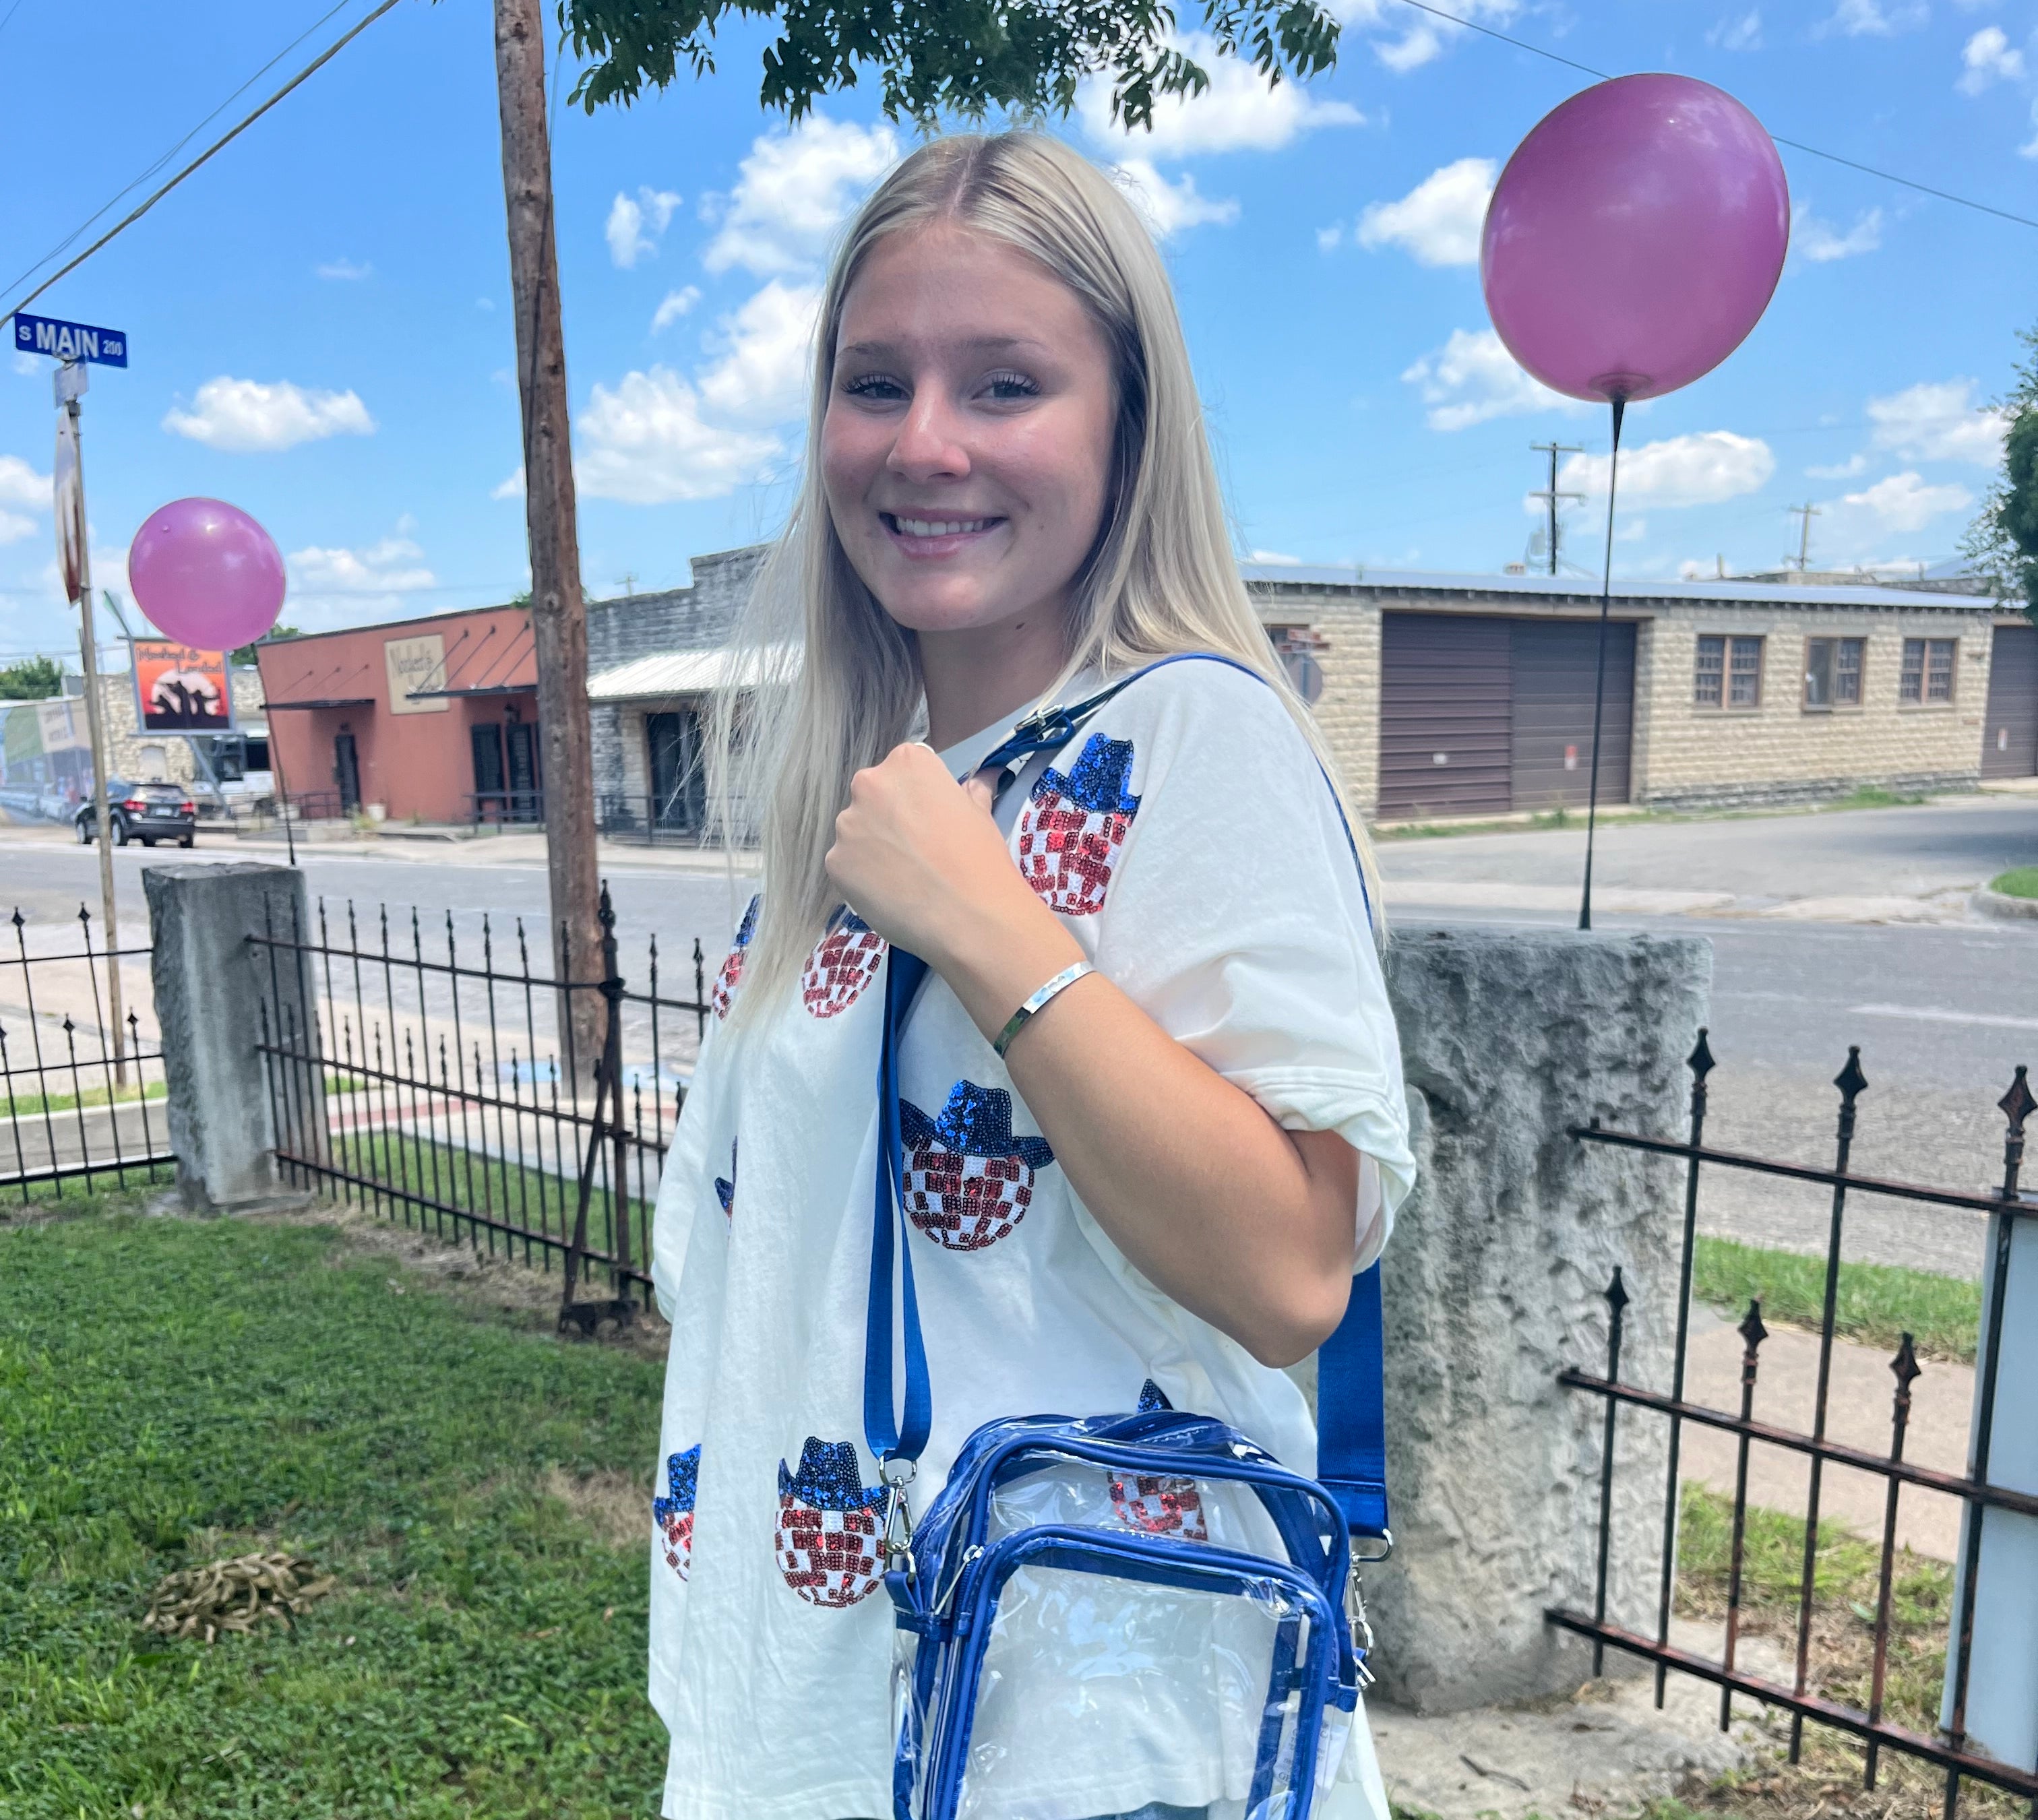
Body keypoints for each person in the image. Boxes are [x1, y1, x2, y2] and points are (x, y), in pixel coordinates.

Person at [646, 129, 1415, 1820]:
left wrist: (997, 930)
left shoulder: (1192, 733)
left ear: (1124, 427)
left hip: (1077, 1717)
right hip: (831, 1689)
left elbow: (1295, 1268)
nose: (924, 444)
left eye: (1006, 384)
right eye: (875, 383)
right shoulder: (876, 784)